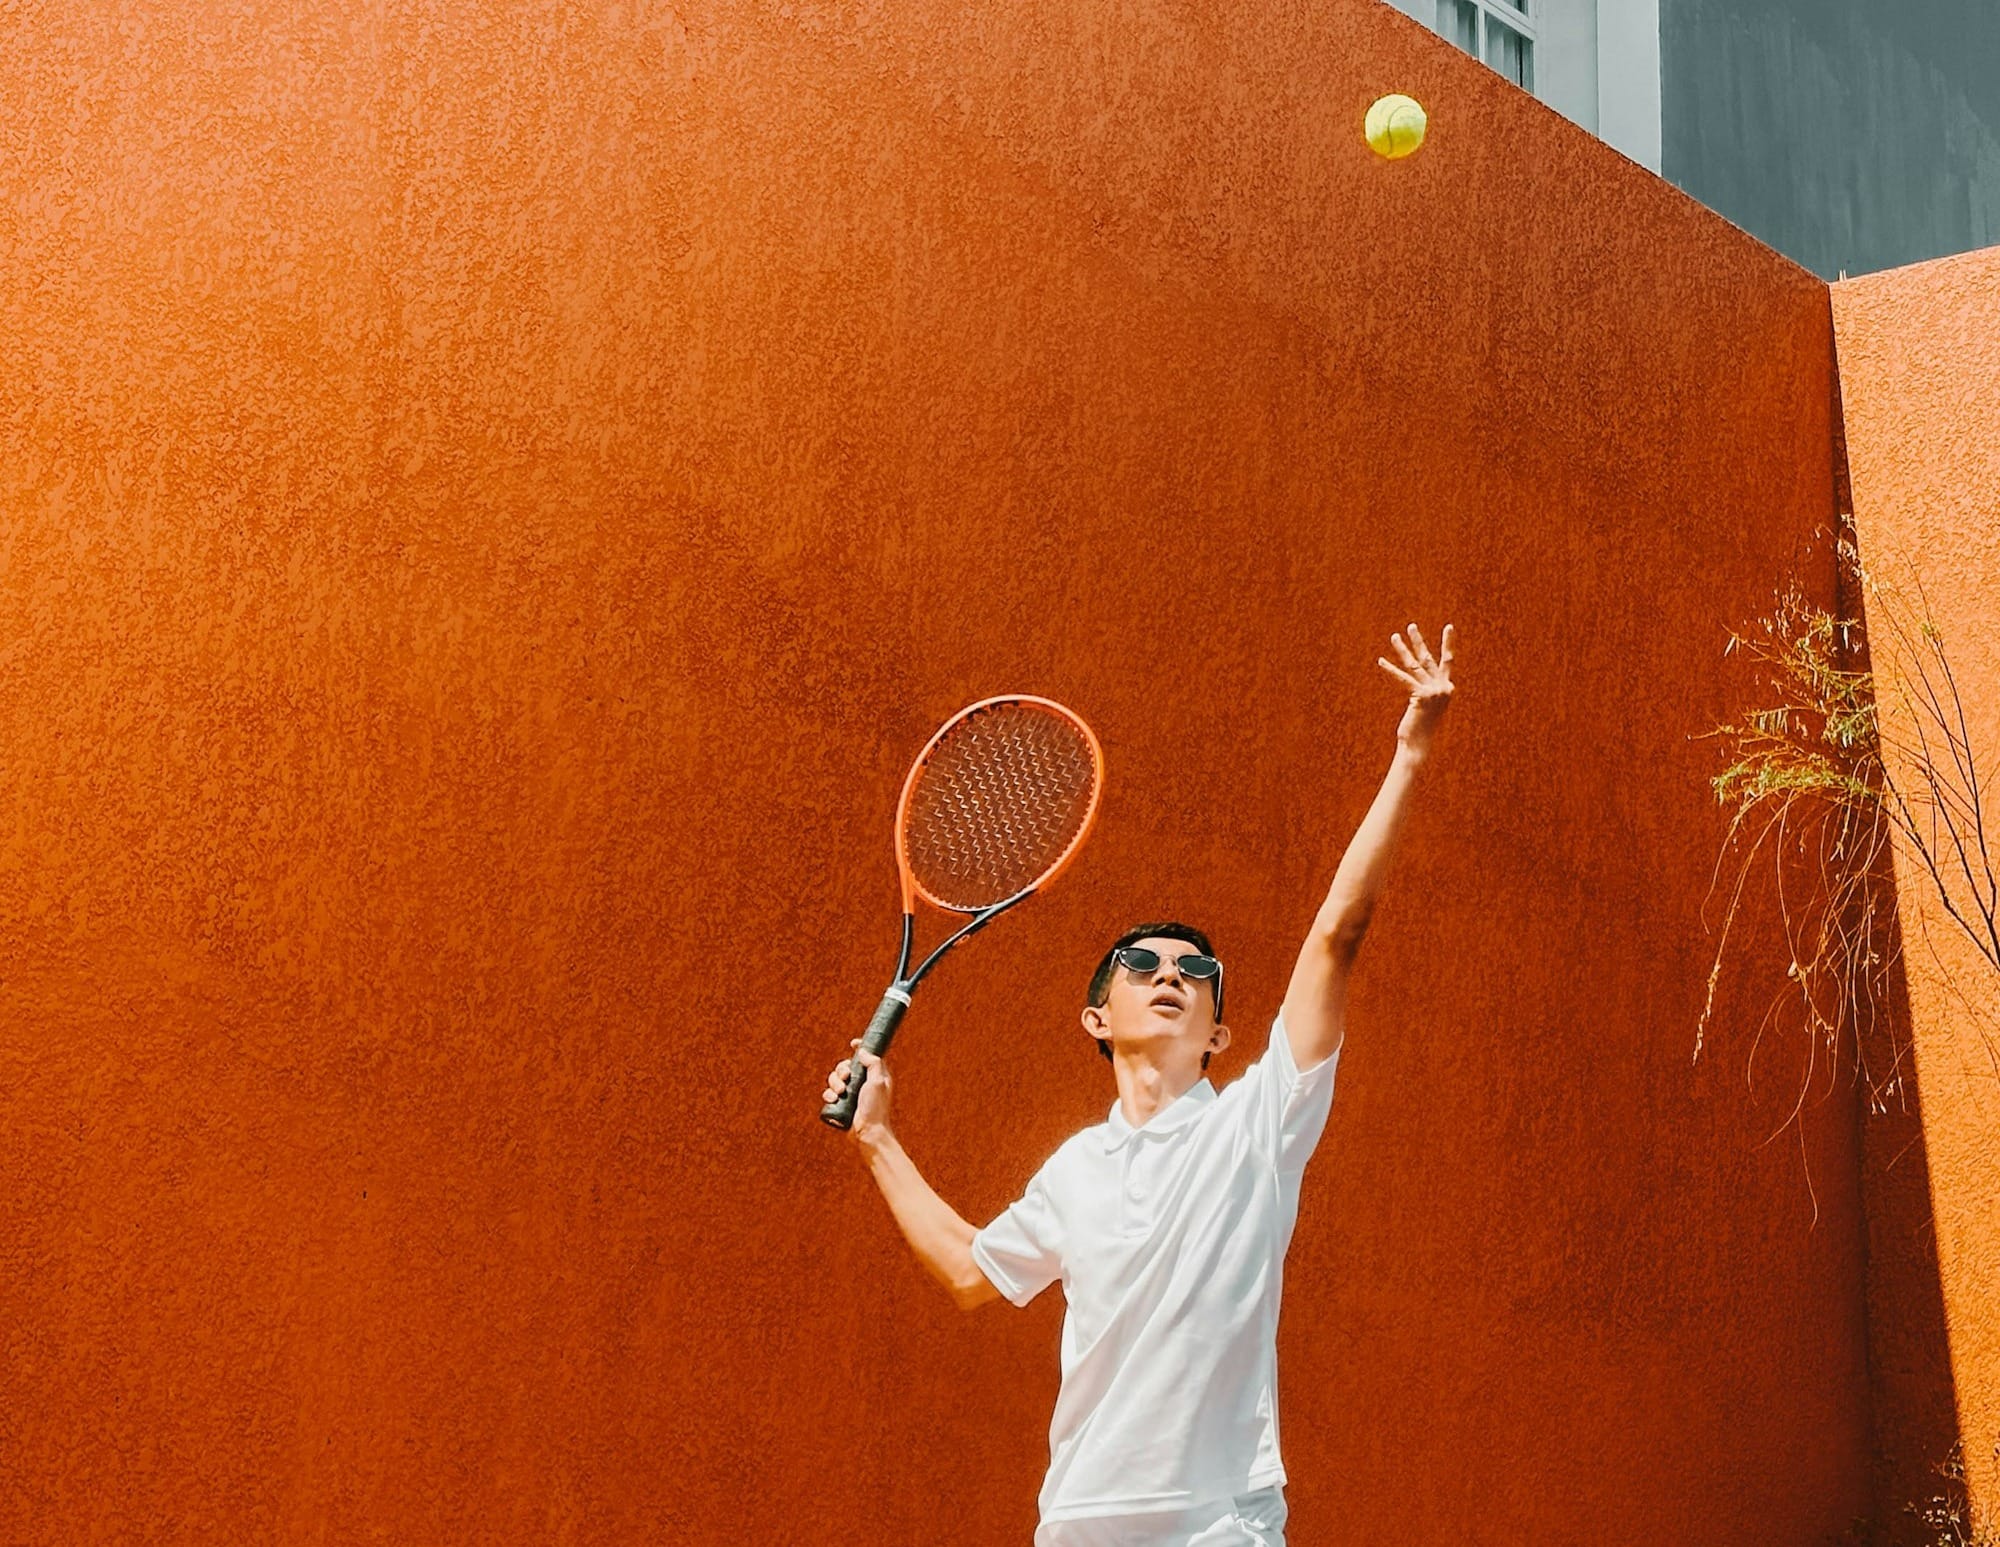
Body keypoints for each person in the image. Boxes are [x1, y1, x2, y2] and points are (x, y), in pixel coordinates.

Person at [822, 623, 1458, 1546]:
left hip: (1217, 1527)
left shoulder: (1259, 1125)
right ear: (1096, 1018)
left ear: (1220, 1036)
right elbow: (969, 1273)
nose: (1172, 972)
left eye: (1197, 968)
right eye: (1141, 962)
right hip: (1078, 1525)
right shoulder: (1074, 1170)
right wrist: (878, 1138)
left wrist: (1410, 755)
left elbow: (1336, 932)